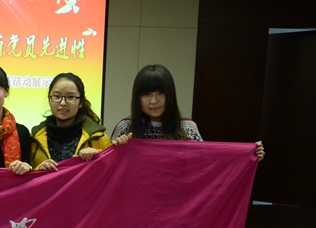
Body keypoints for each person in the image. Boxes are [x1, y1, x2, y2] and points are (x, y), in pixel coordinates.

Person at [111, 64, 264, 159]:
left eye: (160, 93)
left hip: (178, 200)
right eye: (146, 94)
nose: (153, 101)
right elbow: (108, 172)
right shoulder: (125, 128)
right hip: (135, 199)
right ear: (137, 98)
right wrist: (116, 150)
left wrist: (248, 154)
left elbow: (208, 163)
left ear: (171, 95)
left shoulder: (188, 129)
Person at [31, 72, 115, 172]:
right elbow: (26, 176)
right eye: (57, 96)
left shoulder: (99, 139)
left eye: (70, 97)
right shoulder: (34, 139)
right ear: (49, 100)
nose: (63, 103)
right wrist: (39, 169)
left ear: (81, 103)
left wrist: (98, 156)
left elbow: (112, 173)